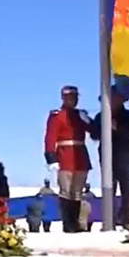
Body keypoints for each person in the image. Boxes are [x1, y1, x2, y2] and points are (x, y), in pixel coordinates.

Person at [88, 86, 129, 226]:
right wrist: (93, 124)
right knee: (108, 190)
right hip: (106, 158)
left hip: (125, 158)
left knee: (127, 191)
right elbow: (94, 135)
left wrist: (115, 127)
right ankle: (109, 221)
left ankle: (127, 220)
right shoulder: (100, 117)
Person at [45, 85, 91, 233]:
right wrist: (51, 157)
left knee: (77, 192)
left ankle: (75, 223)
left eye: (76, 97)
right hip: (65, 157)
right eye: (71, 97)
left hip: (80, 156)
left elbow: (95, 133)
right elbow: (50, 137)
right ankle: (68, 224)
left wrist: (89, 121)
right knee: (66, 191)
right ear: (64, 98)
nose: (74, 100)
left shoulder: (80, 115)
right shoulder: (57, 115)